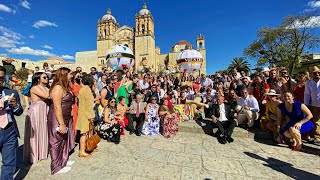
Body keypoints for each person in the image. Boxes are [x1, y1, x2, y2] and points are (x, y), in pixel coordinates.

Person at [47, 67, 75, 174]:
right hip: (57, 117)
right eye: (69, 74)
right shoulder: (58, 88)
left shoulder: (66, 87)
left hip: (66, 116)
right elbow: (57, 107)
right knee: (56, 141)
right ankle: (56, 166)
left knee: (63, 139)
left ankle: (63, 160)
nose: (71, 76)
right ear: (63, 75)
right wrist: (62, 123)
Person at [0, 66, 23, 179]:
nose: (0, 81)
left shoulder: (11, 92)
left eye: (2, 78)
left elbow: (19, 112)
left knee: (9, 164)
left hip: (9, 130)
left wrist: (15, 106)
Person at [23, 71, 50, 164]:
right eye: (44, 77)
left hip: (43, 110)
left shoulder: (46, 87)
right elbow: (46, 96)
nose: (46, 79)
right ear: (38, 79)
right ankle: (34, 154)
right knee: (36, 131)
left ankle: (42, 152)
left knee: (43, 130)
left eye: (46, 77)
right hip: (36, 111)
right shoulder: (34, 87)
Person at [77, 74, 96, 158]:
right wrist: (91, 116)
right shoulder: (87, 90)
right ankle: (82, 151)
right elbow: (88, 105)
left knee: (85, 132)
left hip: (82, 112)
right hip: (86, 114)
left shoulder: (82, 89)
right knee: (84, 133)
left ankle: (88, 147)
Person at [304, 66, 320, 145]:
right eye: (315, 73)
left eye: (318, 72)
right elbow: (307, 94)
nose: (317, 74)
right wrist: (306, 105)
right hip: (315, 104)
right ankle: (317, 137)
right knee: (316, 121)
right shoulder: (309, 83)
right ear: (311, 74)